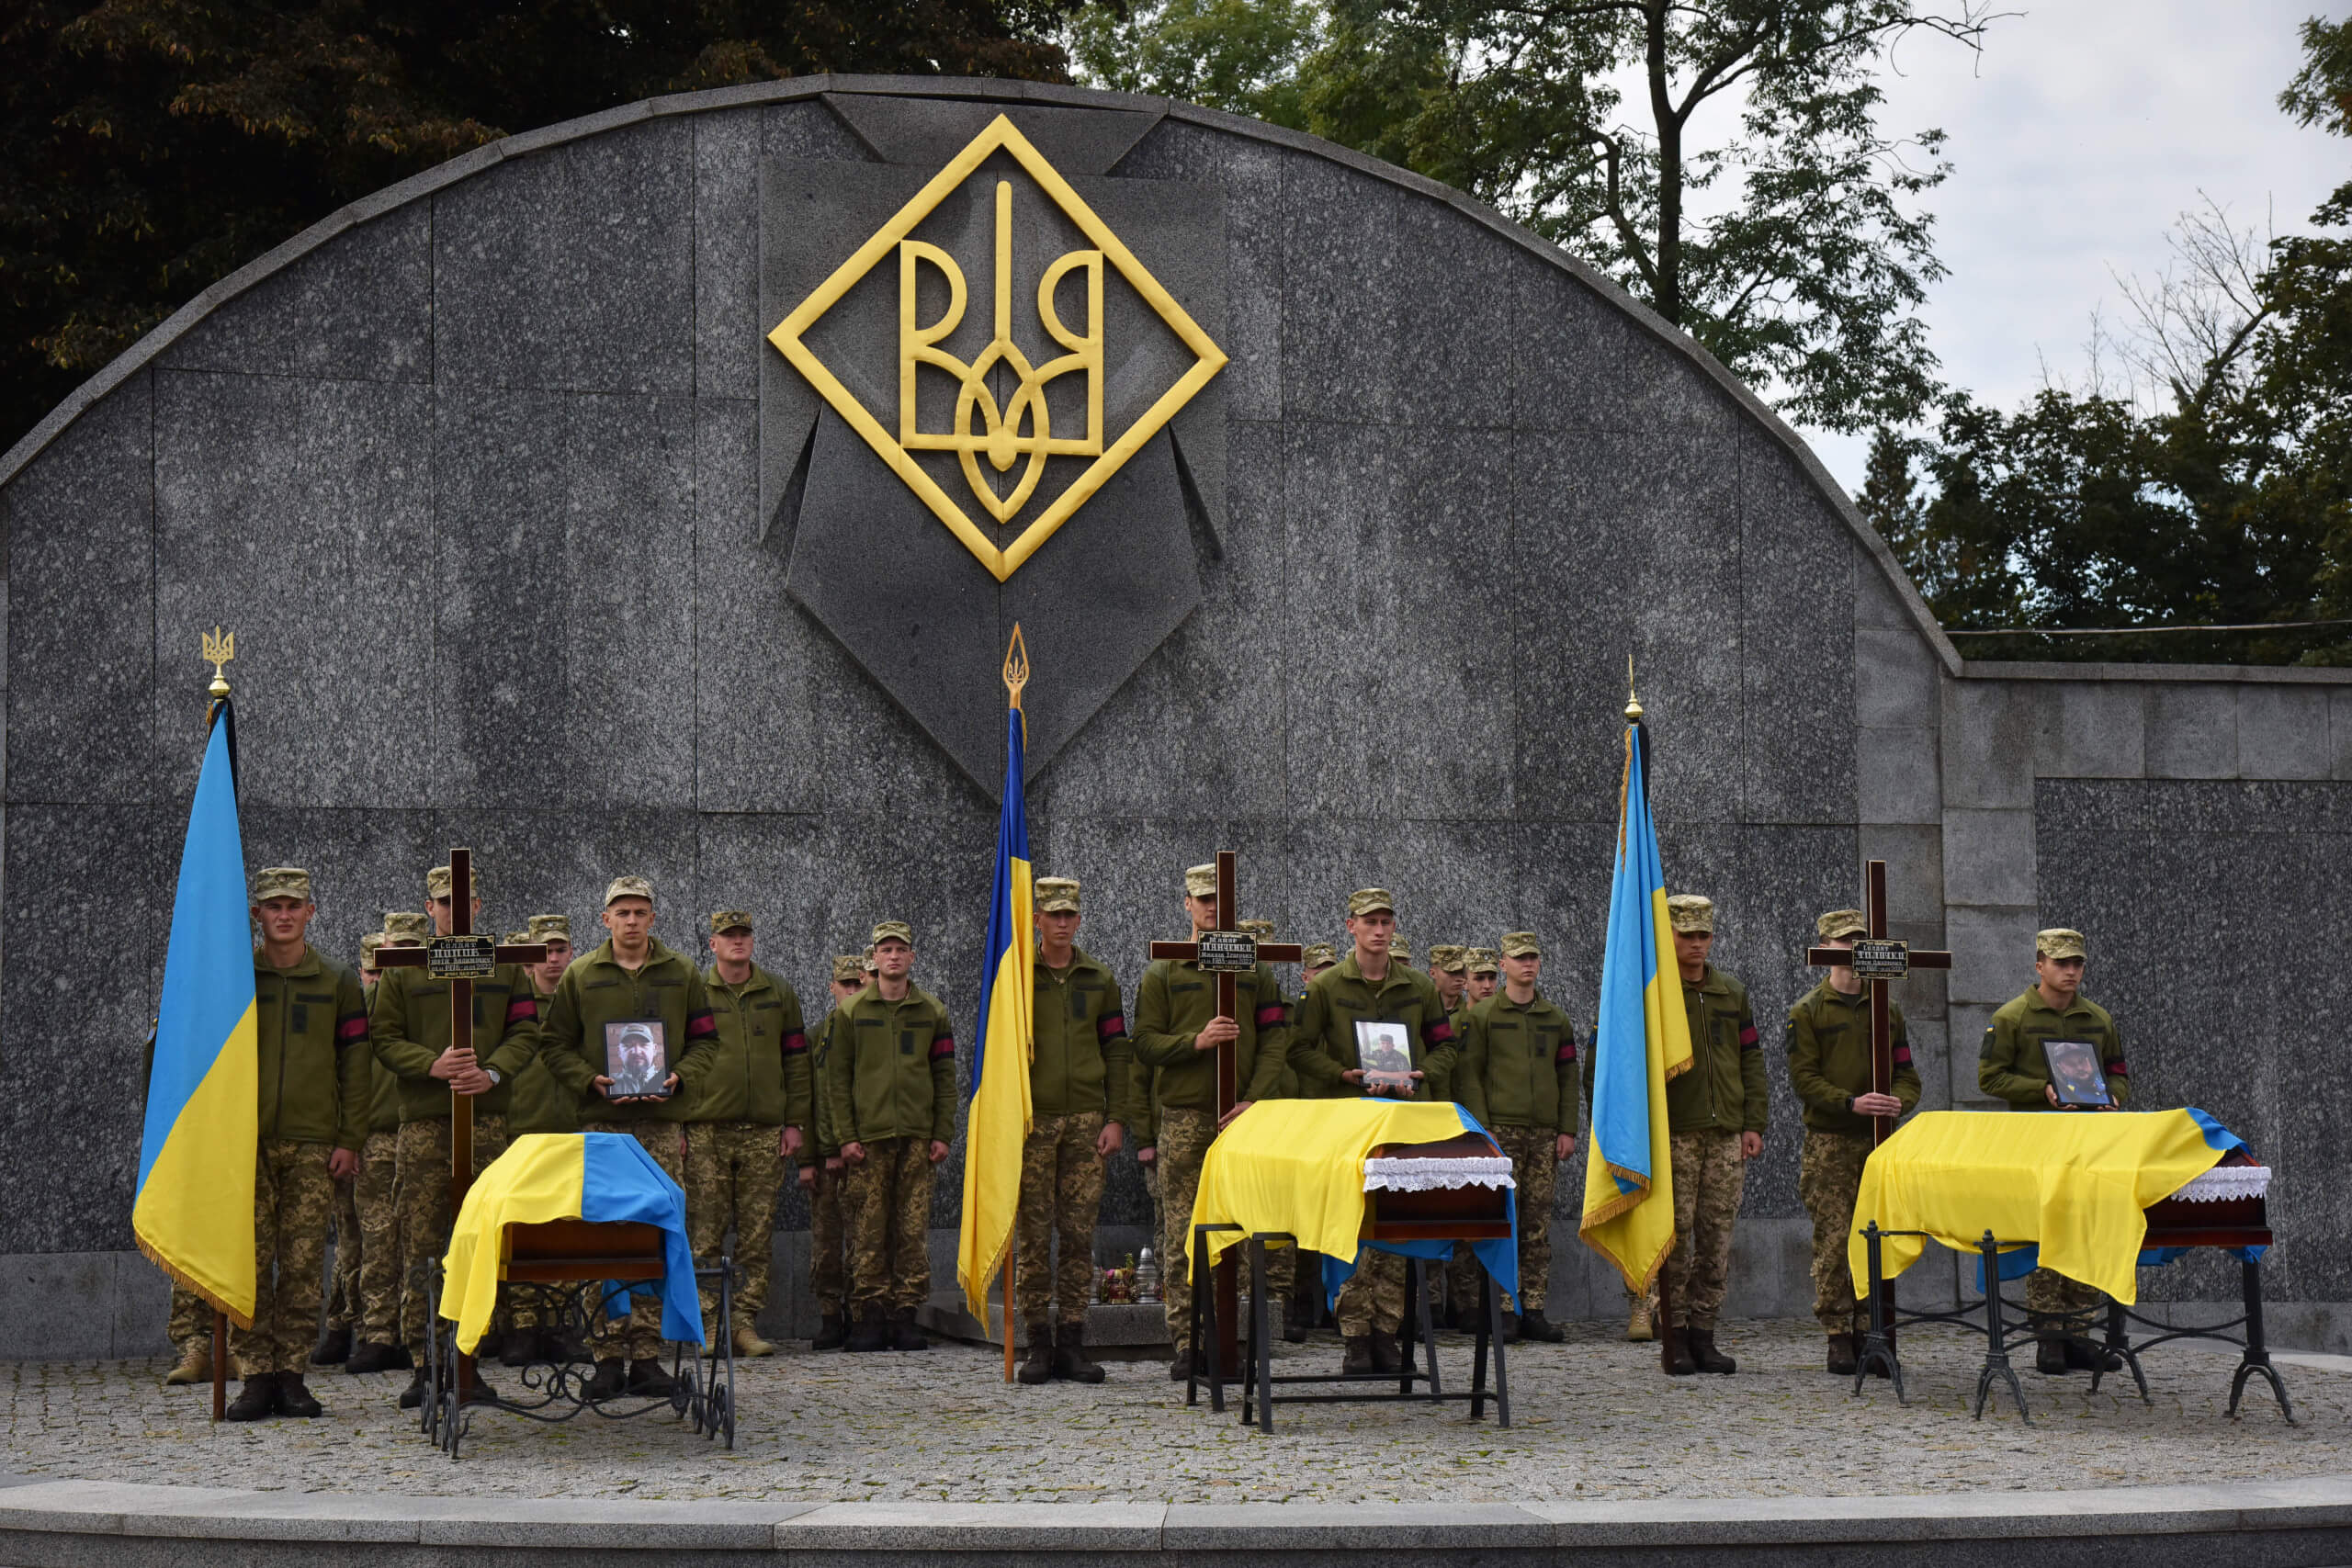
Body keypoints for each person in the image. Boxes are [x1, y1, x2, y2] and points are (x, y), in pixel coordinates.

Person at [540, 875, 721, 1398]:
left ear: (653, 918)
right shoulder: (581, 974)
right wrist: (588, 1080)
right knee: (604, 1233)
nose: (632, 921)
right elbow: (553, 1045)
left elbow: (708, 1041)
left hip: (661, 1125)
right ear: (606, 919)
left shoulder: (681, 972)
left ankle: (645, 1355)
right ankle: (605, 1353)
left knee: (654, 1232)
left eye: (641, 912)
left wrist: (680, 1076)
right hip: (602, 1127)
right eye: (622, 912)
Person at [372, 866, 543, 1406]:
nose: (455, 911)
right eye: (445, 903)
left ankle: (471, 1361)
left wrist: (490, 1071)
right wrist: (433, 1065)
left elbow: (525, 1030)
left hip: (487, 1121)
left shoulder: (504, 967)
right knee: (422, 1244)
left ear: (480, 904)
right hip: (425, 1124)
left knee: (480, 1243)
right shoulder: (406, 969)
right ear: (429, 908)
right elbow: (384, 1036)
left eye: (464, 902)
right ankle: (427, 1365)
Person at [1131, 863, 1293, 1379]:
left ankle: (1232, 1338)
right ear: (1187, 905)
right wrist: (1194, 1042)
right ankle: (1187, 1341)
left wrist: (1257, 1097)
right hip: (1185, 1118)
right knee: (1185, 1232)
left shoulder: (1257, 971)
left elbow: (1275, 1040)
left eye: (1219, 901)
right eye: (1202, 900)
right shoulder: (1165, 971)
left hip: (1240, 1117)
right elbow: (1144, 1042)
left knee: (1241, 1233)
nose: (1211, 909)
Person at [1289, 889, 1457, 1375]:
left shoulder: (1419, 988)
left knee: (1396, 1229)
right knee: (1353, 1228)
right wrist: (1345, 1075)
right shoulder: (1325, 988)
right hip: (1351, 1121)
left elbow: (1446, 1046)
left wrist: (1422, 1073)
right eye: (1370, 922)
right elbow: (1299, 1050)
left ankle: (1388, 1333)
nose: (1380, 931)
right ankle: (1355, 1338)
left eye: (1386, 921)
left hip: (1403, 1120)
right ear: (1351, 927)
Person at [226, 867, 368, 1420]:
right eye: (272, 906)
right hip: (247, 1144)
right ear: (257, 915)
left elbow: (356, 1067)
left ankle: (292, 1375)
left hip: (313, 1144)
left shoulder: (336, 980)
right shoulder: (237, 978)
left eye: (294, 905)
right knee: (251, 1264)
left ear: (311, 912)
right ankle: (254, 1376)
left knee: (305, 1263)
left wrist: (350, 1138)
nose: (283, 915)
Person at [1979, 927, 2130, 1375]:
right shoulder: (2012, 1018)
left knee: (2086, 1228)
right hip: (2038, 1141)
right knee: (2047, 1233)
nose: (2070, 971)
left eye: (2076, 963)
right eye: (2060, 963)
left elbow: (2117, 1070)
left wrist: (2113, 1094)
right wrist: (2041, 1090)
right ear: (2039, 965)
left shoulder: (2098, 1019)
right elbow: (1990, 1077)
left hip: (2087, 1141)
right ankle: (2049, 1335)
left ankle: (2080, 1333)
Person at [1786, 908, 1922, 1375]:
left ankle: (1873, 1327)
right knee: (1835, 1238)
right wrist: (1850, 1103)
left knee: (1878, 1236)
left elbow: (1905, 1071)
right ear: (1825, 945)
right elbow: (1804, 1079)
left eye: (1859, 942)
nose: (1852, 951)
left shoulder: (1887, 1007)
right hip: (1832, 1142)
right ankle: (1838, 1331)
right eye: (1843, 943)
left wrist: (1897, 1103)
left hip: (1880, 1141)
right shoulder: (1807, 1011)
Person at [1013, 878, 1133, 1384]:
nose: (1062, 923)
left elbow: (1117, 1051)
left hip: (1087, 1120)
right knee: (1033, 1235)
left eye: (1070, 915)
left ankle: (1073, 1341)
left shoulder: (1098, 978)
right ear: (1037, 919)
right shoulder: (1017, 978)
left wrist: (1117, 1117)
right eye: (1053, 915)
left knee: (1079, 1235)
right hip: (1032, 1120)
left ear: (1079, 920)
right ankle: (1038, 1342)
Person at [826, 921, 956, 1353]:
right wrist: (845, 1136)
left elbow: (944, 1077)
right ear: (874, 958)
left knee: (912, 1229)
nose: (894, 956)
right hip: (869, 1139)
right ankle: (869, 1316)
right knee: (869, 1228)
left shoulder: (932, 1011)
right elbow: (838, 1080)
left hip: (918, 1138)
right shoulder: (852, 1012)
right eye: (886, 949)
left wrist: (942, 1132)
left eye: (901, 948)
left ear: (912, 957)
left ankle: (905, 1315)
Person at [685, 910, 810, 1360]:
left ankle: (743, 1322)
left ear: (753, 942)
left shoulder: (777, 993)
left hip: (763, 1131)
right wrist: (679, 1123)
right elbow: (677, 1062)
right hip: (706, 1129)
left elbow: (796, 1060)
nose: (737, 943)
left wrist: (795, 1121)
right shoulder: (694, 992)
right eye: (728, 936)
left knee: (757, 1234)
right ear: (713, 944)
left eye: (744, 935)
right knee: (705, 1233)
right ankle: (709, 1323)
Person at [1656, 894, 1766, 1377]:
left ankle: (1705, 1334)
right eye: (1687, 936)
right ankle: (1674, 1335)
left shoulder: (1731, 993)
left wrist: (1753, 1122)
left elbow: (1751, 1061)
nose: (1697, 945)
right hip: (1677, 1132)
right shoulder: (1655, 994)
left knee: (1716, 1241)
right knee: (1676, 1240)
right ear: (1670, 937)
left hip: (1725, 1135)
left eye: (1704, 935)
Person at [1453, 931, 1577, 1343]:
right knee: (1501, 1220)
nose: (1527, 964)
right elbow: (1469, 1072)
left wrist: (1567, 1128)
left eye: (1533, 957)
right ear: (1502, 964)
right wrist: (1482, 1125)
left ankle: (1534, 1308)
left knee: (1536, 1224)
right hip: (1500, 1130)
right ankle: (1503, 1309)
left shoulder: (1555, 1018)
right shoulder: (1482, 1016)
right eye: (1519, 958)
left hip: (1543, 1133)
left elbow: (1567, 1076)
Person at [497, 913, 581, 1368]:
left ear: (571, 953)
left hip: (570, 1132)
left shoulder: (577, 1004)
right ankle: (525, 1326)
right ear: (529, 958)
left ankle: (563, 1324)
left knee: (567, 1232)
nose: (552, 960)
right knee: (523, 1232)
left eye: (560, 950)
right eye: (544, 951)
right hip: (521, 1133)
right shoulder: (515, 1005)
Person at [345, 912, 425, 1376]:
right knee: (377, 1239)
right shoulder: (365, 1006)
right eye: (394, 953)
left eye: (413, 951)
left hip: (419, 1131)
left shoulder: (433, 998)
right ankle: (378, 1333)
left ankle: (420, 1330)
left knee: (421, 1239)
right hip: (376, 1135)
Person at [311, 929, 385, 1369]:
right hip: (351, 1140)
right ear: (360, 973)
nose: (379, 979)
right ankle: (342, 1324)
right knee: (350, 1242)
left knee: (377, 1243)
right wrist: (347, 1139)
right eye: (373, 971)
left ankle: (367, 1326)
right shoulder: (350, 1012)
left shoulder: (399, 1012)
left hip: (384, 1134)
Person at [808, 953, 867, 1349]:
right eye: (844, 985)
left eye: (857, 985)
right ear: (832, 987)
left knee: (865, 1240)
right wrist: (810, 1158)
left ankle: (862, 1313)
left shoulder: (874, 1030)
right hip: (826, 1157)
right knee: (827, 1240)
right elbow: (810, 1100)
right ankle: (831, 1314)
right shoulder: (818, 1035)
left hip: (865, 1153)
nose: (850, 992)